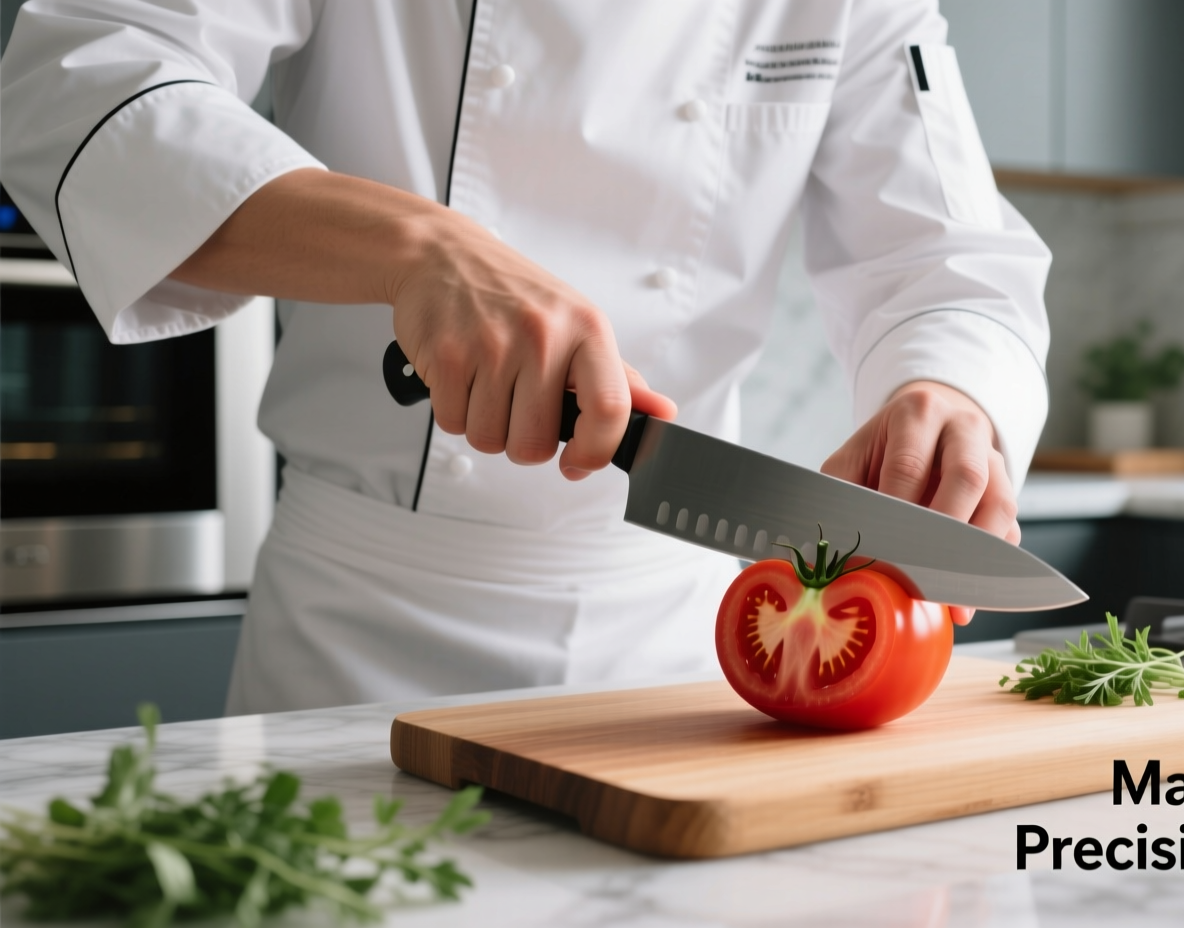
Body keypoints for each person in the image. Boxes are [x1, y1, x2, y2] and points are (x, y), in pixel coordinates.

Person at [0, 1, 1052, 713]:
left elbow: (948, 253)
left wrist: (950, 387)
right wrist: (418, 248)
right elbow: (82, 81)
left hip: (677, 656)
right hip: (361, 639)